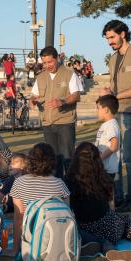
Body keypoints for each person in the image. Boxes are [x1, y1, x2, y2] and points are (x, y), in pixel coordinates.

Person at [65, 142, 131, 261]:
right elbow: (112, 209)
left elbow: (68, 210)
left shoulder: (68, 180)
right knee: (124, 221)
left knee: (86, 232)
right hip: (110, 228)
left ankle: (102, 247)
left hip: (84, 230)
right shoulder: (105, 178)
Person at [101, 20, 131, 212]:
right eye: (107, 38)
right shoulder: (113, 58)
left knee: (130, 159)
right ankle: (119, 198)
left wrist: (115, 95)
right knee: (116, 158)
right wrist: (108, 92)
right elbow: (115, 87)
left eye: (112, 37)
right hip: (115, 112)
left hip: (130, 112)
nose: (110, 41)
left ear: (123, 34)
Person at [30, 46, 83, 178]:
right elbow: (34, 95)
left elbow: (76, 95)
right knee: (53, 161)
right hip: (47, 123)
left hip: (65, 122)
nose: (47, 65)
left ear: (57, 58)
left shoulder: (70, 74)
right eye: (44, 63)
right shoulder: (40, 77)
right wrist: (32, 101)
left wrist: (62, 102)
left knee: (68, 159)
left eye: (50, 62)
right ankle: (57, 191)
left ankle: (72, 190)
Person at [8, 143, 70, 256]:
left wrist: (15, 249)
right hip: (57, 239)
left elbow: (19, 218)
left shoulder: (19, 182)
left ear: (30, 161)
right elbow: (67, 213)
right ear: (52, 162)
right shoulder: (60, 183)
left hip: (32, 240)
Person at [95, 95, 120, 185]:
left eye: (98, 108)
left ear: (106, 109)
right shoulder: (106, 124)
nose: (97, 111)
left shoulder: (111, 125)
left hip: (108, 169)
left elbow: (114, 146)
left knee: (107, 194)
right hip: (103, 168)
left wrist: (99, 159)